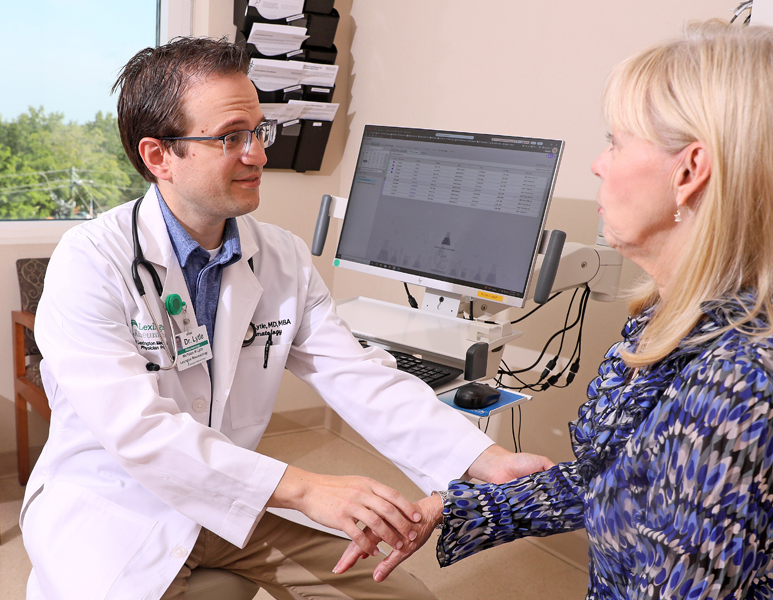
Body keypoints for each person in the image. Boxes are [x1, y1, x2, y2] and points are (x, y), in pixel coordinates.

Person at [19, 37, 552, 600]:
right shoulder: (90, 263)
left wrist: (486, 459)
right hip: (116, 510)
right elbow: (137, 431)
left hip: (227, 504)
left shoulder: (281, 257)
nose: (257, 153)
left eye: (259, 130)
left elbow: (359, 376)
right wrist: (304, 489)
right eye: (230, 137)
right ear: (159, 157)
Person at [335, 20, 773, 599]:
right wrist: (443, 507)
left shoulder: (745, 385)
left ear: (689, 172)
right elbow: (613, 480)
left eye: (615, 141)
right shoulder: (678, 325)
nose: (598, 165)